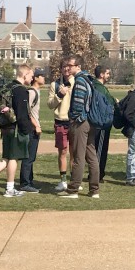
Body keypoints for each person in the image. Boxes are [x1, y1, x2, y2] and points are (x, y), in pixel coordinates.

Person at [0, 64, 34, 198]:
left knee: (6, 157)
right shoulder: (21, 90)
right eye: (31, 75)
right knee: (13, 158)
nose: (32, 78)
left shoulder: (7, 87)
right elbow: (22, 114)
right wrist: (27, 129)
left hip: (5, 127)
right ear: (25, 74)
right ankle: (10, 189)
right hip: (15, 129)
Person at [59, 65, 100, 199]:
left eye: (71, 65)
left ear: (78, 66)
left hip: (81, 122)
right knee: (92, 156)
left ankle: (73, 190)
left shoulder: (80, 80)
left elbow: (78, 104)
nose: (68, 68)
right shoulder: (89, 79)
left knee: (78, 156)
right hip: (91, 121)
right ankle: (94, 190)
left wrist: (74, 118)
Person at [47, 56, 78, 192]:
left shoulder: (77, 82)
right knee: (62, 151)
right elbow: (50, 104)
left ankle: (74, 180)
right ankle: (63, 181)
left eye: (68, 66)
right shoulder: (55, 85)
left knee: (74, 153)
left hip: (74, 122)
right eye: (63, 66)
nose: (66, 69)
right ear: (60, 69)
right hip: (60, 121)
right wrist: (59, 95)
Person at [19, 67, 46, 193]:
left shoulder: (37, 91)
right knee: (28, 157)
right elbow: (27, 112)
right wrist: (36, 125)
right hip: (31, 128)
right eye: (42, 75)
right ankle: (25, 183)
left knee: (32, 156)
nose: (44, 77)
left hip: (34, 128)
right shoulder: (31, 92)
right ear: (35, 78)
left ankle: (29, 181)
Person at [90, 65, 115, 182]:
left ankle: (97, 174)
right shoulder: (99, 87)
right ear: (101, 74)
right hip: (102, 123)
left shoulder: (98, 86)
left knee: (98, 149)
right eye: (107, 73)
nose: (108, 76)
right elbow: (108, 102)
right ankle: (96, 175)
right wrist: (114, 102)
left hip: (100, 122)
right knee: (99, 150)